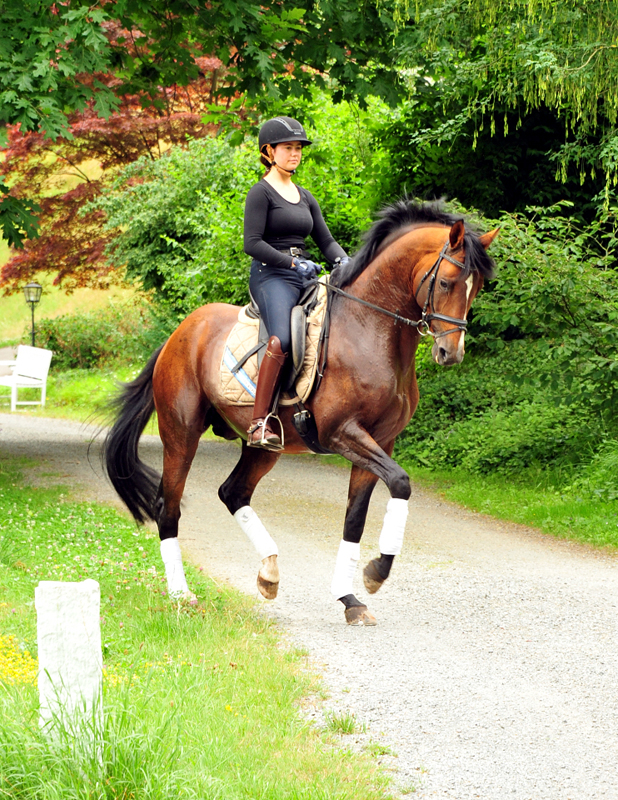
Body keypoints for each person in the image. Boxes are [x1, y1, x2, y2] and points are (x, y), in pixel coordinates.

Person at [243, 116, 348, 449]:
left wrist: (345, 262)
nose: (295, 153)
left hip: (304, 274)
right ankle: (260, 422)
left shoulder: (305, 196)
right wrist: (291, 262)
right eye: (288, 148)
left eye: (298, 148)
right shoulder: (260, 193)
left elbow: (326, 241)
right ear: (269, 151)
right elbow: (252, 243)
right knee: (283, 339)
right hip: (271, 274)